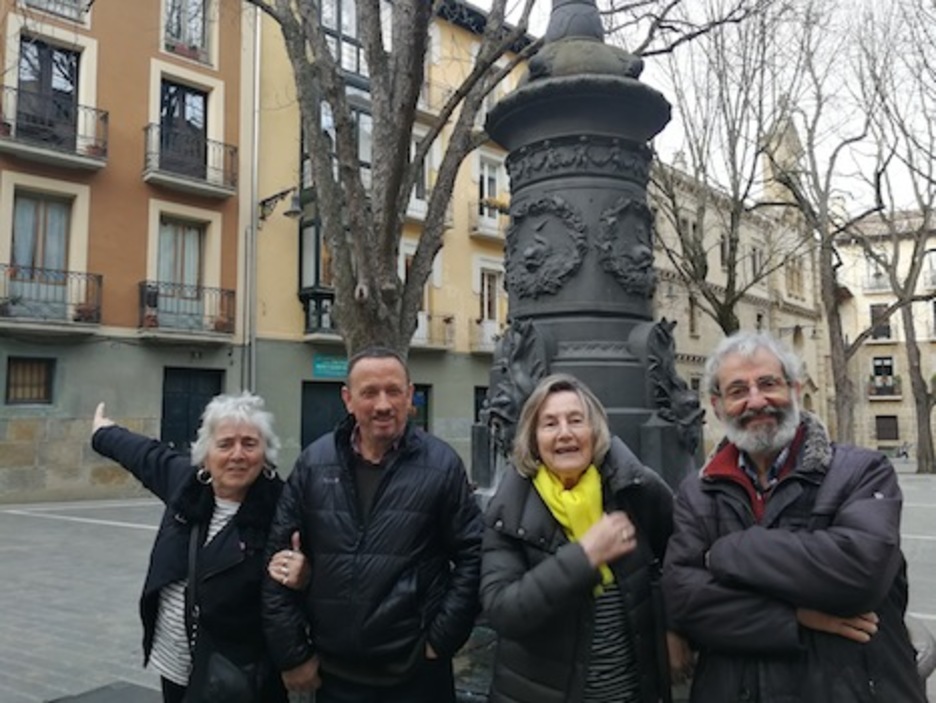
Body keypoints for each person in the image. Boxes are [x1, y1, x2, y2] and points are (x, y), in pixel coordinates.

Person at [662, 331, 926, 702]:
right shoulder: (697, 492)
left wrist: (726, 553)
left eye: (768, 383)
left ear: (796, 389)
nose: (757, 400)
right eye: (738, 391)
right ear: (717, 406)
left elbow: (860, 572)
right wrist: (797, 617)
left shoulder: (862, 471)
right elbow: (685, 600)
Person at [262, 346, 483, 702]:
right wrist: (292, 655)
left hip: (417, 674)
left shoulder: (443, 465)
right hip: (331, 675)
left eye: (393, 391)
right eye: (369, 392)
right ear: (348, 399)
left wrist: (442, 639)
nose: (383, 404)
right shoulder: (312, 465)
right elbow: (276, 563)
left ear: (410, 395)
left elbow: (474, 555)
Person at [481, 373, 687, 703]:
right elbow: (503, 612)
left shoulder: (635, 490)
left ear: (595, 431)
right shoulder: (508, 511)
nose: (565, 433)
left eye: (576, 420)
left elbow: (677, 562)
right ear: (534, 440)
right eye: (549, 424)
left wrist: (675, 629)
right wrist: (585, 557)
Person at [91, 392, 305, 703]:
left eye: (249, 443)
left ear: (266, 454)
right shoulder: (187, 485)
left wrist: (306, 576)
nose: (237, 455)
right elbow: (145, 455)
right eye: (225, 444)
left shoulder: (283, 509)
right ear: (205, 454)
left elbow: (317, 583)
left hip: (238, 674)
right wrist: (103, 432)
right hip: (175, 663)